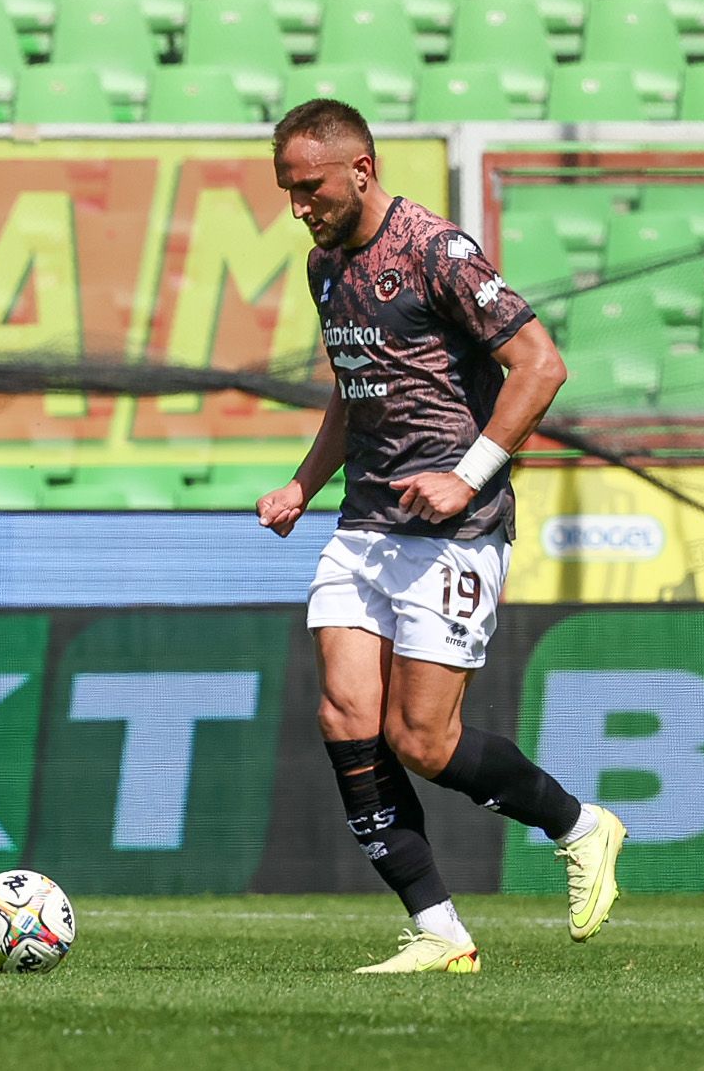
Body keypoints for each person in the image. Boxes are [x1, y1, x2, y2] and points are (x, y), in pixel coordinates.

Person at [257, 99, 625, 974]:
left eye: (310, 188)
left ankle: (580, 826)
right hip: (364, 525)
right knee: (345, 718)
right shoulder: (325, 267)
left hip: (455, 530)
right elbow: (354, 387)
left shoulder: (436, 252)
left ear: (362, 170)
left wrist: (467, 474)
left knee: (422, 741)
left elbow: (540, 364)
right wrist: (304, 484)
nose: (299, 207)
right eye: (288, 191)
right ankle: (439, 930)